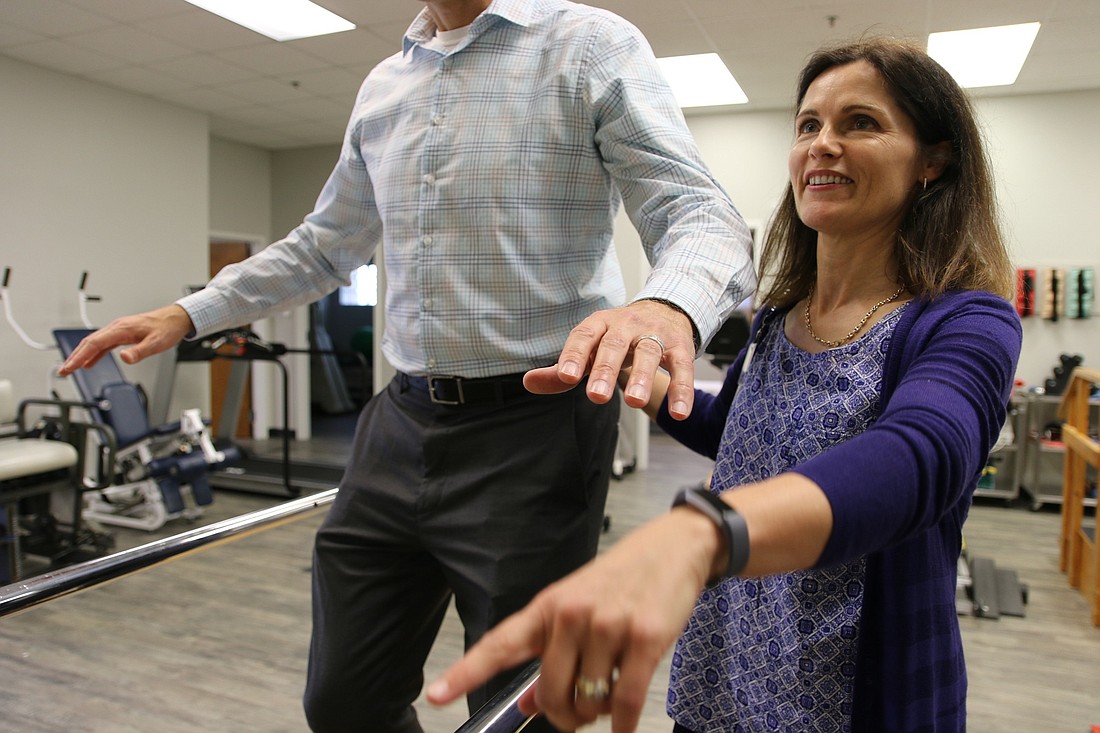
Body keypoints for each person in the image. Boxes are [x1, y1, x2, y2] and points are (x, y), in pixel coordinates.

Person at [58, 1, 756, 731]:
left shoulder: (588, 46)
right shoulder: (386, 84)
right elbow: (326, 245)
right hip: (400, 417)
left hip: (535, 425)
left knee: (519, 709)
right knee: (342, 699)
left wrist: (665, 305)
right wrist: (190, 311)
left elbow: (702, 215)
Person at [428, 37, 1023, 733]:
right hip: (726, 675)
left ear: (934, 158)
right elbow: (737, 433)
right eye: (809, 125)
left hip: (849, 693)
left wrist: (702, 535)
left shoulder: (966, 320)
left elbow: (921, 455)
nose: (822, 145)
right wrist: (644, 387)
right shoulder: (777, 317)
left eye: (860, 123)